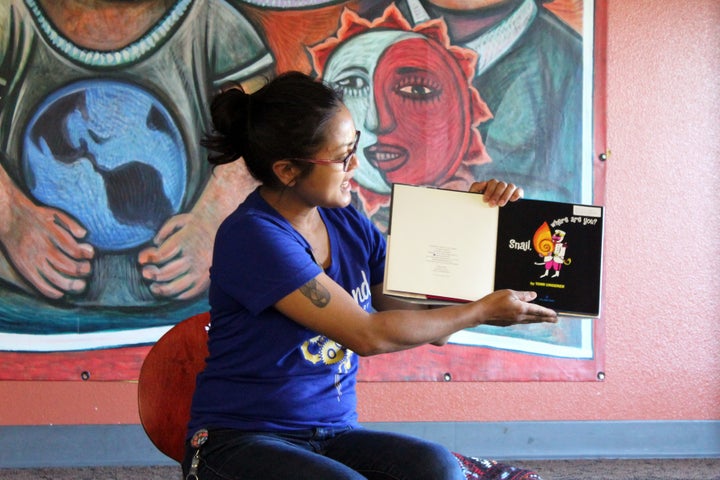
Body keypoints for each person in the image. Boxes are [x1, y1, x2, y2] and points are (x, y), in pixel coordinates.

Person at [184, 71, 558, 480]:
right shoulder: (253, 236)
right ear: (288, 170)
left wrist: (475, 224)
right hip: (240, 440)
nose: (355, 165)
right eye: (342, 156)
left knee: (439, 469)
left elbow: (431, 323)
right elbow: (368, 334)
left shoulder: (346, 221)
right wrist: (481, 312)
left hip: (330, 435)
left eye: (355, 146)